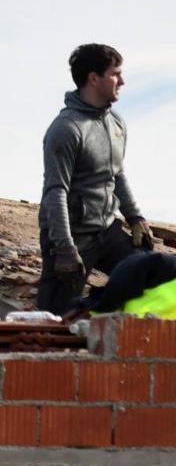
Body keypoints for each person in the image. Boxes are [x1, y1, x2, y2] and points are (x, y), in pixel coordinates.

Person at [37, 44, 154, 314]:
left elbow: (116, 173)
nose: (122, 81)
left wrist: (135, 216)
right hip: (72, 237)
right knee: (54, 318)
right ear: (93, 78)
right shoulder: (65, 129)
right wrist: (64, 248)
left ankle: (105, 316)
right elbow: (55, 192)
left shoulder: (116, 123)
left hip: (107, 230)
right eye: (115, 74)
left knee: (150, 275)